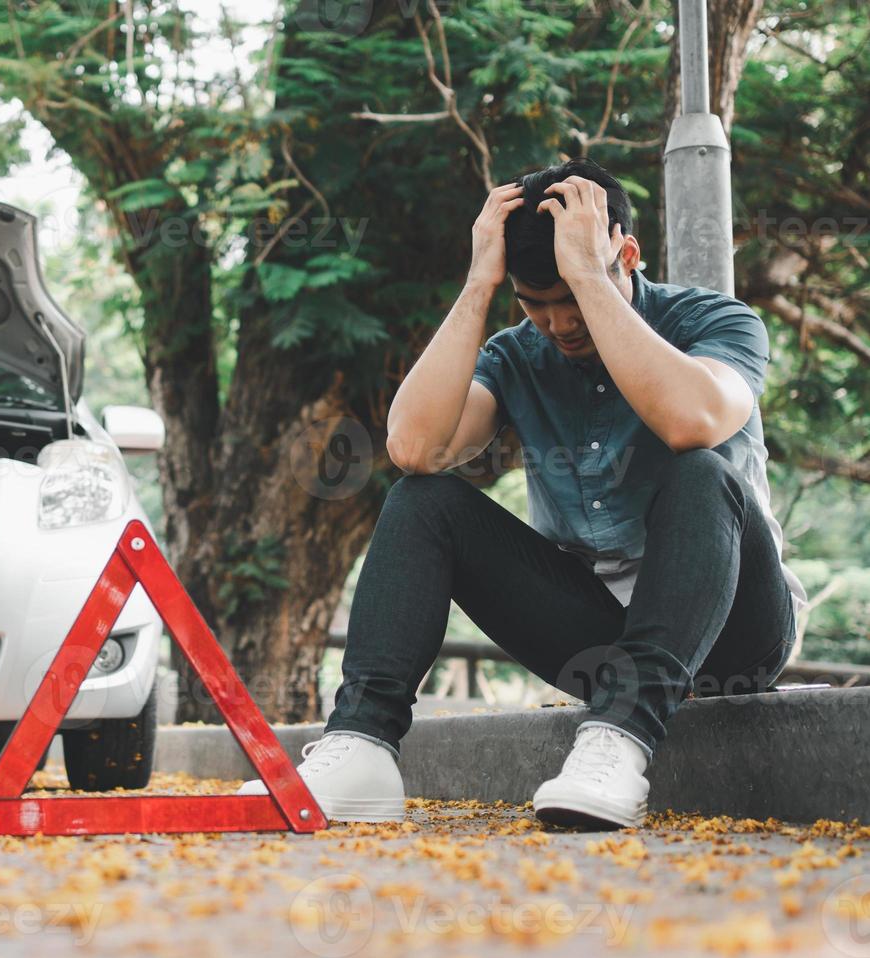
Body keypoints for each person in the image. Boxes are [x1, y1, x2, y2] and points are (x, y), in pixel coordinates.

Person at [241, 158, 806, 829]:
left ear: (628, 254)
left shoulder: (717, 321)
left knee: (701, 470)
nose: (560, 324)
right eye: (535, 304)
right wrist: (480, 286)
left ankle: (618, 743)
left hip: (734, 635)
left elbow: (694, 421)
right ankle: (361, 745)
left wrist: (589, 276)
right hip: (595, 638)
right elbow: (416, 448)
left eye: (570, 301)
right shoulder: (516, 356)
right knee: (423, 501)